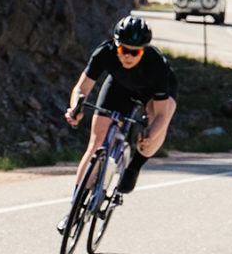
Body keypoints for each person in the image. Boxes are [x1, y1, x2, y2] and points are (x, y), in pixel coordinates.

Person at [65, 13, 178, 201]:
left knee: (153, 132)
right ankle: (75, 205)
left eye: (135, 52)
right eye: (124, 50)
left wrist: (151, 135)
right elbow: (81, 88)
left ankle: (135, 166)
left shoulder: (156, 64)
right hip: (121, 85)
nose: (128, 56)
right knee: (96, 142)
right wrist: (76, 108)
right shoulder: (105, 52)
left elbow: (161, 114)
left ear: (144, 50)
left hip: (153, 92)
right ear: (115, 45)